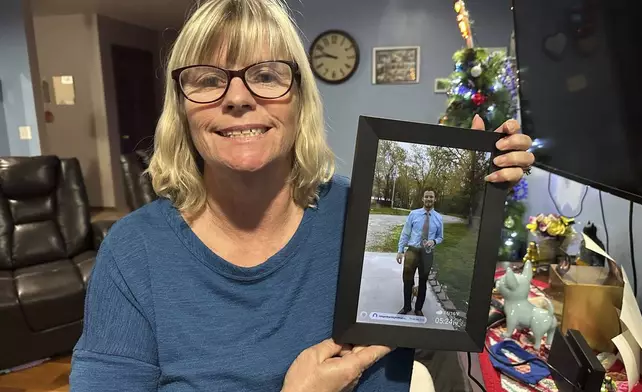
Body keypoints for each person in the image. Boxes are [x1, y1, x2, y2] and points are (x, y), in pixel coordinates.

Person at [69, 0, 535, 391]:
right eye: (209, 79)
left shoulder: (361, 217)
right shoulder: (133, 253)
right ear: (182, 108)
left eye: (267, 75)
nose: (237, 97)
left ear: (300, 100)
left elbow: (438, 318)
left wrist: (483, 192)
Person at [396, 189, 443, 317]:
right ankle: (406, 306)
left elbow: (440, 237)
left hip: (427, 254)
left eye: (431, 197)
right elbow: (405, 233)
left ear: (435, 199)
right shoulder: (413, 214)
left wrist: (434, 241)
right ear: (423, 199)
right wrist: (400, 251)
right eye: (426, 196)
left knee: (423, 281)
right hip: (412, 251)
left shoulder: (438, 218)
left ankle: (418, 308)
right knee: (407, 279)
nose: (429, 199)